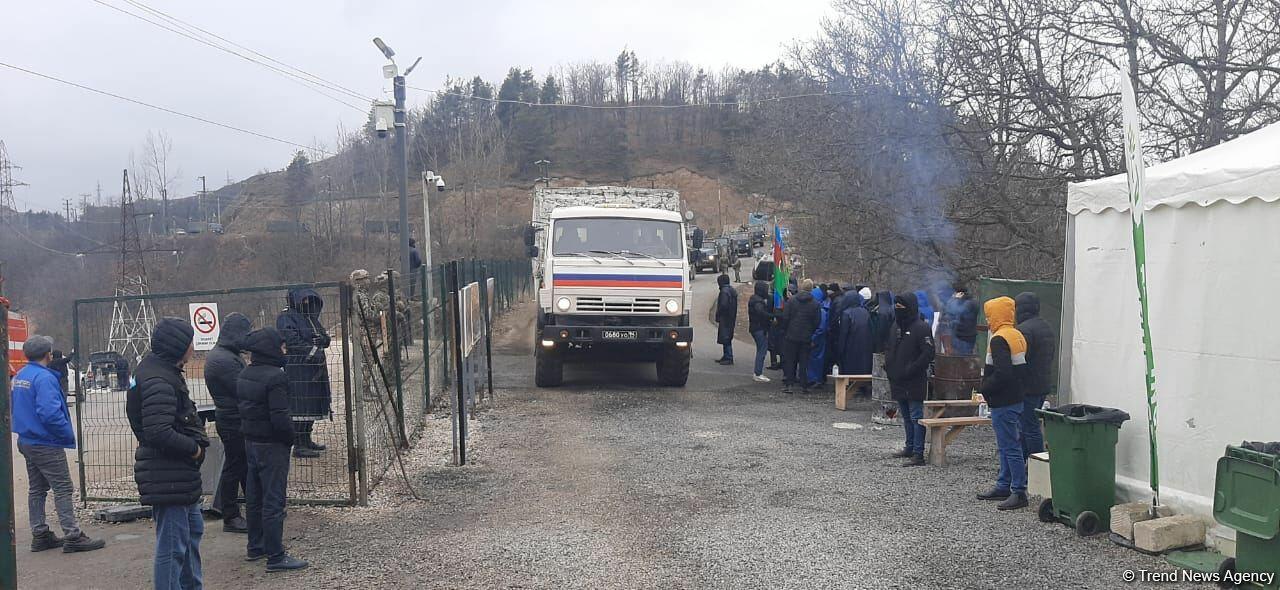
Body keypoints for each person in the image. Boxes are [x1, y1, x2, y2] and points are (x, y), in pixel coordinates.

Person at [127, 318, 209, 589]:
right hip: (168, 475)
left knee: (191, 535)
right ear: (178, 346)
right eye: (190, 342)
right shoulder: (158, 380)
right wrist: (194, 449)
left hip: (177, 475)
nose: (193, 347)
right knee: (173, 546)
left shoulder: (159, 370)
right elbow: (158, 431)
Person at [11, 335, 107, 553]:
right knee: (62, 487)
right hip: (46, 442)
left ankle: (40, 534)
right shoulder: (44, 378)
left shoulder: (20, 375)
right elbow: (50, 413)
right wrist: (65, 433)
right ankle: (73, 535)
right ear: (48, 355)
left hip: (27, 440)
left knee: (37, 488)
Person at [237, 328, 309, 572]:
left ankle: (255, 546)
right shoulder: (276, 377)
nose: (284, 350)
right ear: (271, 348)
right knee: (273, 500)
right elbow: (280, 417)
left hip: (251, 443)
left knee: (254, 498)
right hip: (272, 446)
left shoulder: (244, 374)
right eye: (282, 346)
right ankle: (276, 556)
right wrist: (290, 439)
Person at [976, 296, 1030, 510]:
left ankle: (1018, 491)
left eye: (989, 316)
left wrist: (985, 388)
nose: (988, 320)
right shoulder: (1016, 335)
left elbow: (1002, 373)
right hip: (1015, 398)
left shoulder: (999, 339)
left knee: (1009, 446)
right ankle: (1004, 485)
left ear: (997, 316)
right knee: (1009, 445)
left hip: (1003, 401)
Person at [203, 312, 253, 534]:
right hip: (233, 420)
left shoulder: (225, 355)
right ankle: (230, 515)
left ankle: (250, 507)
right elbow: (243, 389)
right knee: (235, 466)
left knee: (241, 465)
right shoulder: (224, 360)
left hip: (233, 418)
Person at [277, 288, 331, 459]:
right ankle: (299, 445)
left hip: (315, 368)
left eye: (309, 300)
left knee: (312, 403)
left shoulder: (310, 317)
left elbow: (324, 336)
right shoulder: (286, 317)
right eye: (304, 300)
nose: (307, 303)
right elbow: (291, 340)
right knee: (300, 404)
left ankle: (307, 439)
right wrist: (312, 350)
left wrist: (323, 340)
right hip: (298, 368)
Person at [884, 295, 936, 466]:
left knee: (916, 417)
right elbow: (889, 347)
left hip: (914, 380)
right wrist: (889, 366)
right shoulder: (895, 326)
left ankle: (918, 453)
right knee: (906, 417)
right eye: (896, 306)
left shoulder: (921, 328)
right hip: (897, 378)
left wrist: (912, 369)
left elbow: (928, 353)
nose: (898, 309)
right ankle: (910, 447)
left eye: (901, 306)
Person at [1016, 291, 1056, 458]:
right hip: (1042, 383)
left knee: (1029, 427)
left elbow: (1020, 360)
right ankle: (1026, 461)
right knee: (1029, 425)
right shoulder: (1046, 326)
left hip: (1028, 386)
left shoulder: (1024, 330)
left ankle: (1036, 464)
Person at [780, 279, 821, 394]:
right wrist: (811, 331)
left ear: (801, 287)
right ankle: (804, 386)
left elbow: (785, 317)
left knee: (790, 360)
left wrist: (786, 330)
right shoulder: (815, 303)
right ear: (811, 289)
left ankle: (789, 385)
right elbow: (817, 321)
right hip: (806, 337)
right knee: (804, 361)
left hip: (791, 335)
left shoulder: (792, 301)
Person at [835, 290, 873, 381]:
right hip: (865, 346)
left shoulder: (846, 313)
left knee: (850, 369)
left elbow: (843, 333)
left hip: (850, 346)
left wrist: (840, 350)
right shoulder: (865, 312)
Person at [747, 280, 773, 382]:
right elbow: (761, 313)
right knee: (762, 350)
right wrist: (773, 316)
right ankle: (758, 373)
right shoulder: (758, 302)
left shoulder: (755, 299)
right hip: (759, 328)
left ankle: (758, 372)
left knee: (761, 349)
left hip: (756, 328)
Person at [806, 285, 831, 388]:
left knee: (814, 359)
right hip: (818, 338)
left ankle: (814, 379)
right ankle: (814, 379)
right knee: (815, 359)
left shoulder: (820, 310)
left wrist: (813, 338)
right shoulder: (823, 308)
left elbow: (821, 328)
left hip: (817, 339)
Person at [945, 285, 979, 355]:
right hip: (959, 335)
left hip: (965, 336)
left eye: (954, 293)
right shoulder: (963, 302)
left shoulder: (969, 303)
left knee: (964, 357)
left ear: (960, 293)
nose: (953, 295)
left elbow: (958, 311)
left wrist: (954, 299)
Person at [714, 274, 738, 365]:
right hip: (731, 317)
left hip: (725, 318)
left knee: (725, 337)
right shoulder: (731, 290)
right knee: (727, 336)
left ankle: (728, 357)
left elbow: (723, 305)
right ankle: (726, 355)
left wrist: (718, 314)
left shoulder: (724, 292)